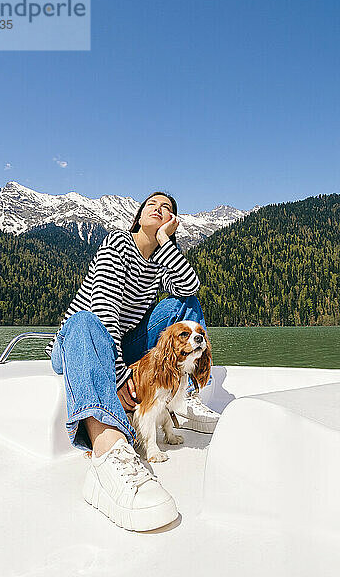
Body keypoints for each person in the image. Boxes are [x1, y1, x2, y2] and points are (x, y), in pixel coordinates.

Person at [46, 191, 219, 531]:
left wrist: (165, 241)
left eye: (166, 208)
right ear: (139, 216)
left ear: (171, 222)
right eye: (152, 205)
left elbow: (189, 285)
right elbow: (103, 309)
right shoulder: (117, 244)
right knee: (84, 320)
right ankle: (107, 448)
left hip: (125, 338)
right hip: (82, 339)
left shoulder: (161, 259)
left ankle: (189, 394)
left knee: (183, 304)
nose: (158, 209)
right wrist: (120, 372)